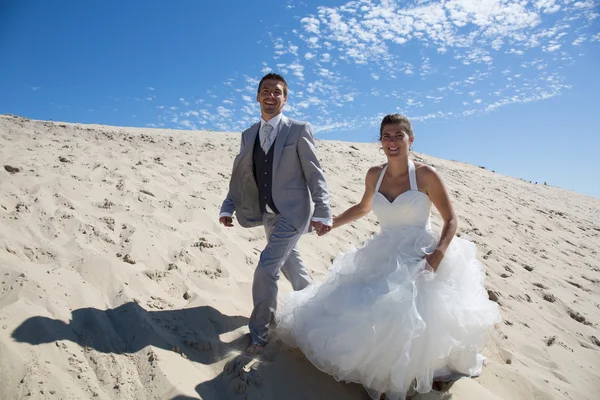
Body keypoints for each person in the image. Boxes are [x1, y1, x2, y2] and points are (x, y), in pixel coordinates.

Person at [275, 114, 501, 399]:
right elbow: (362, 208)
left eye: (398, 136)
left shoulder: (426, 175)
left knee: (414, 316)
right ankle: (376, 370)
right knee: (363, 309)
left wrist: (437, 255)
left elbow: (451, 220)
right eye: (386, 136)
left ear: (411, 139)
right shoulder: (374, 174)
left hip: (422, 251)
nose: (392, 142)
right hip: (385, 250)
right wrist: (331, 223)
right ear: (380, 141)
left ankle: (421, 373)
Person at [219, 73, 333, 355]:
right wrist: (228, 205)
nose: (271, 96)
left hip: (294, 213)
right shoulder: (248, 135)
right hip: (267, 213)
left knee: (267, 267)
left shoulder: (298, 130)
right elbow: (242, 176)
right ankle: (316, 309)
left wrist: (323, 210)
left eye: (277, 92)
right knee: (290, 263)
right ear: (257, 97)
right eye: (266, 91)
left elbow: (314, 174)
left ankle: (260, 331)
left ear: (285, 98)